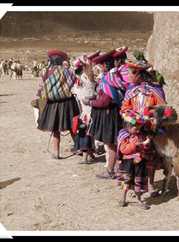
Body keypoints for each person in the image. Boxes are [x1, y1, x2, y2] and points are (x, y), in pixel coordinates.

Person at [120, 59, 166, 197]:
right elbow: (125, 107)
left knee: (149, 158)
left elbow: (162, 109)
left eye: (130, 73)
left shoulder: (155, 90)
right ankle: (136, 185)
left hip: (149, 129)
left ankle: (150, 184)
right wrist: (130, 116)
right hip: (134, 129)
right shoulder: (131, 89)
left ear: (138, 74)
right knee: (135, 157)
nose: (128, 75)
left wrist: (149, 114)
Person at [82, 50, 126, 179]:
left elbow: (104, 101)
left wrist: (89, 102)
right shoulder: (113, 76)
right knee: (112, 143)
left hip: (110, 114)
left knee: (111, 143)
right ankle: (117, 168)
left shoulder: (109, 78)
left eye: (101, 64)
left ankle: (111, 170)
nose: (99, 67)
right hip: (111, 113)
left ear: (105, 65)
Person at [36, 50, 79, 159]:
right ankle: (79, 148)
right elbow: (74, 83)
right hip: (68, 103)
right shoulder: (67, 72)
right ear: (61, 61)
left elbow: (41, 88)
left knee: (55, 130)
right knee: (72, 127)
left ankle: (56, 153)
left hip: (53, 105)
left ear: (51, 61)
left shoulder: (47, 73)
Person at [116, 110, 151, 210]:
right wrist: (134, 145)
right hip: (129, 163)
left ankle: (139, 200)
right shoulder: (124, 136)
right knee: (127, 182)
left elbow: (144, 148)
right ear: (128, 126)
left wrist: (146, 145)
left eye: (140, 128)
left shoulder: (141, 136)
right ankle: (122, 197)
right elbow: (124, 150)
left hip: (139, 163)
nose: (138, 130)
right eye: (136, 128)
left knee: (138, 182)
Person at [71, 53, 97, 164]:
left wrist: (76, 91)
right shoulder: (89, 78)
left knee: (83, 132)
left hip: (86, 112)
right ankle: (91, 155)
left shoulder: (83, 78)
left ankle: (85, 157)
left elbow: (83, 96)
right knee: (89, 132)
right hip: (91, 110)